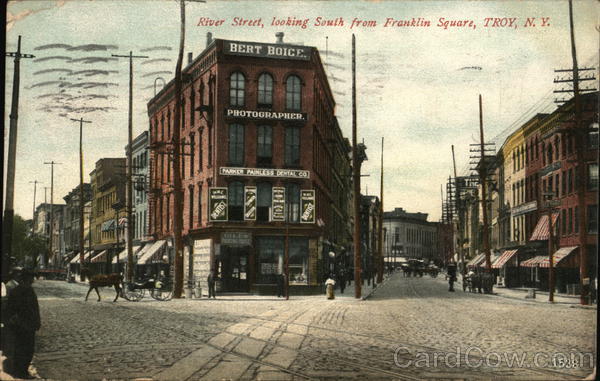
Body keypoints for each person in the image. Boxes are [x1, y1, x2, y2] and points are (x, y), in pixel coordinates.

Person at [3, 268, 41, 379]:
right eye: (31, 278)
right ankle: (20, 372)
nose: (32, 280)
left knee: (27, 349)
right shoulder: (20, 291)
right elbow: (12, 310)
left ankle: (21, 371)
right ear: (26, 278)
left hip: (28, 325)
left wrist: (37, 321)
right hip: (23, 326)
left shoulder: (27, 290)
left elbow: (34, 308)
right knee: (23, 349)